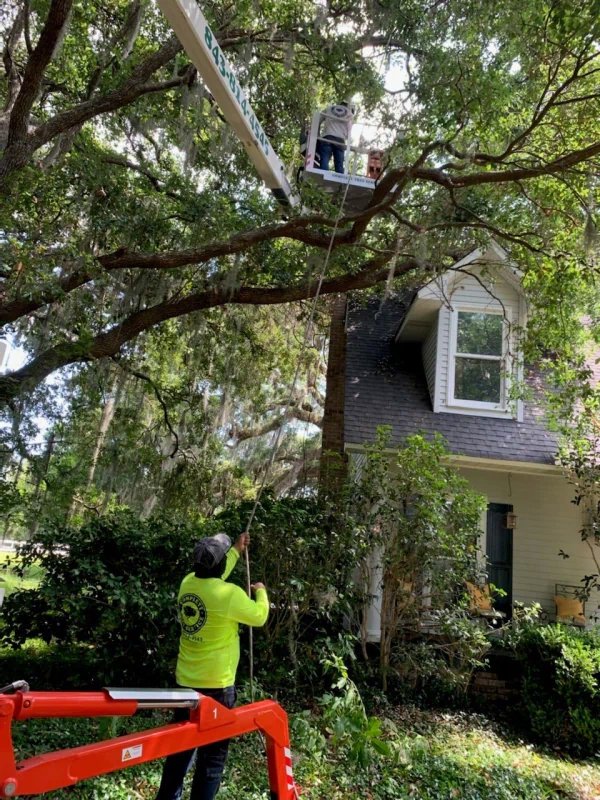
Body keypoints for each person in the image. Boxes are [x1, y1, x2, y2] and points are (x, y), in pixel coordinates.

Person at [155, 531, 269, 800]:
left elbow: (215, 574)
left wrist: (236, 551)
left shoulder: (188, 583)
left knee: (180, 748)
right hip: (218, 686)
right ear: (220, 565)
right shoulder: (230, 595)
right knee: (212, 757)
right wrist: (262, 592)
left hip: (185, 684)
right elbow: (259, 616)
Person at [316, 101, 355, 174]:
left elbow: (318, 119)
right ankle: (340, 179)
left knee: (324, 159)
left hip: (327, 137)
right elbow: (349, 131)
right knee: (339, 165)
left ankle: (322, 175)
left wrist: (317, 135)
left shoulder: (329, 108)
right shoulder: (349, 113)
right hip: (340, 141)